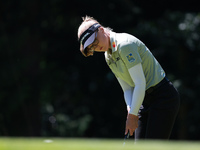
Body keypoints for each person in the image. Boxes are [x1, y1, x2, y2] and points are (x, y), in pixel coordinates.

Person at [77, 16, 180, 140]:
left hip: (163, 97)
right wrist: (130, 109)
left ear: (101, 30)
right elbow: (127, 88)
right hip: (143, 100)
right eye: (91, 46)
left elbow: (140, 83)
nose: (95, 46)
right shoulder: (108, 56)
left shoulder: (124, 44)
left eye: (95, 41)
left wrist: (132, 116)